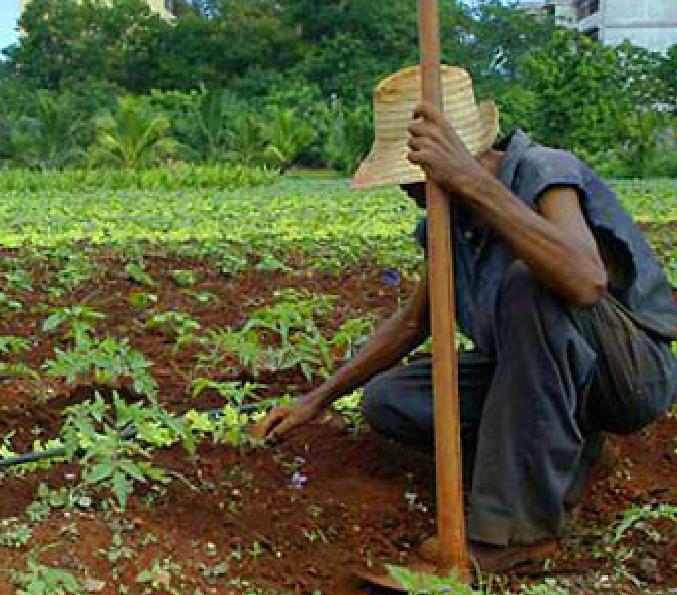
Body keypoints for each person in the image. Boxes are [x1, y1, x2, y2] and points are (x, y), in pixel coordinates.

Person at [252, 65, 677, 572]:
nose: (409, 193)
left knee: (528, 283)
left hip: (628, 375)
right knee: (392, 401)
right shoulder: (447, 221)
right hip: (536, 380)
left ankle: (517, 533)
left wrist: (472, 182)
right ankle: (577, 452)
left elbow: (584, 281)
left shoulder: (543, 173)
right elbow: (414, 323)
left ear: (460, 154)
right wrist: (316, 399)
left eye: (413, 178)